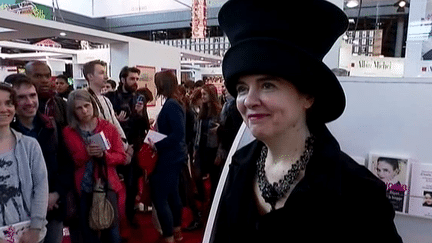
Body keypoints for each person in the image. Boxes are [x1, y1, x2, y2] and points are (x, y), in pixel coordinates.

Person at [211, 0, 402, 242]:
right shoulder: (239, 168)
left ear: (308, 96)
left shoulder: (358, 192)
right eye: (241, 88)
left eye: (267, 85)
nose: (249, 100)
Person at [7, 75, 74, 243]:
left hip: (53, 208)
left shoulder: (52, 127)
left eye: (32, 95)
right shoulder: (6, 134)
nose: (29, 102)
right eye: (21, 97)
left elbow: (67, 166)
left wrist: (54, 195)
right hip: (17, 215)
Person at [62, 90, 126, 243]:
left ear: (93, 105)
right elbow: (70, 161)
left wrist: (104, 155)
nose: (84, 111)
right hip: (83, 188)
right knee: (88, 233)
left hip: (107, 185)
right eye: (79, 108)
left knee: (113, 232)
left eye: (87, 105)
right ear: (72, 110)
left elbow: (121, 157)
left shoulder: (107, 127)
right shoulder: (68, 131)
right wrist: (87, 153)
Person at [0, 83, 48, 243]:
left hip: (28, 233)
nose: (3, 109)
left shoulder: (29, 145)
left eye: (8, 103)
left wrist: (35, 228)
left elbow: (41, 187)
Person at [150, 70, 187, 243]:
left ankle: (169, 236)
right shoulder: (175, 102)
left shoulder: (171, 104)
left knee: (160, 197)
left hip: (169, 157)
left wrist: (156, 144)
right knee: (172, 194)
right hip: (174, 156)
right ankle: (175, 232)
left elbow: (178, 134)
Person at [82, 60, 127, 149]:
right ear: (90, 76)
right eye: (102, 73)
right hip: (99, 150)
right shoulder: (82, 99)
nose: (106, 77)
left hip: (114, 148)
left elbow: (115, 123)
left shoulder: (106, 100)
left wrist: (125, 145)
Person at [194, 84, 221, 198]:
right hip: (201, 147)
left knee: (214, 179)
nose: (203, 97)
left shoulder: (218, 112)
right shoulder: (202, 111)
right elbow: (198, 131)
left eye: (205, 94)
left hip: (212, 149)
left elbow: (221, 136)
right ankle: (202, 196)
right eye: (202, 94)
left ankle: (212, 203)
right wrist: (195, 147)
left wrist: (220, 154)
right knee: (197, 175)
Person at [25, 61, 68, 129]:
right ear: (26, 78)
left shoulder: (60, 104)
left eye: (47, 76)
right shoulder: (20, 106)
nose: (45, 80)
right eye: (38, 76)